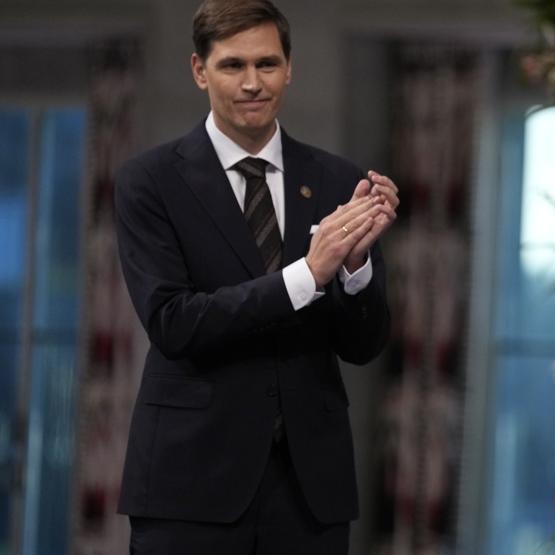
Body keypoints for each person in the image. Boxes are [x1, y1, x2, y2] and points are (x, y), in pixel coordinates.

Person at [113, 1, 397, 552]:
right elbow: (173, 324)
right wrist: (308, 274)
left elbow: (364, 346)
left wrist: (355, 267)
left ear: (289, 68)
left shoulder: (338, 179)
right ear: (199, 70)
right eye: (232, 65)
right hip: (190, 486)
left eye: (267, 64)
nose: (252, 83)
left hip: (310, 493)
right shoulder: (148, 181)